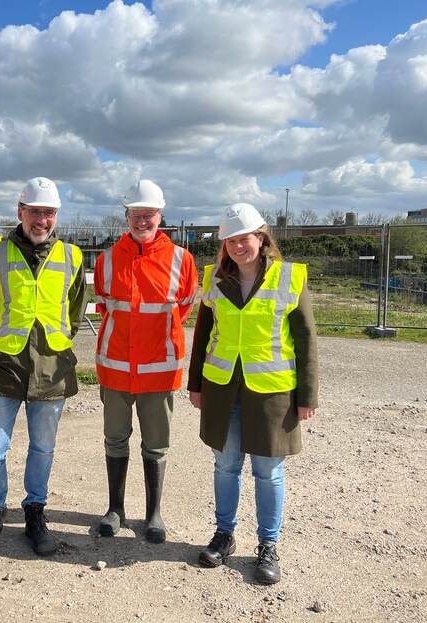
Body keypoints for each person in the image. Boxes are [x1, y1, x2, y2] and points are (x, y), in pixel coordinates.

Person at [187, 203, 318, 585]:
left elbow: (306, 338)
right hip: (222, 387)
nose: (237, 247)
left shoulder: (290, 277)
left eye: (243, 238)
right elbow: (201, 336)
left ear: (261, 238)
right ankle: (224, 535)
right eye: (230, 241)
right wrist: (195, 384)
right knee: (225, 466)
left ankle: (268, 546)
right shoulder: (213, 278)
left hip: (272, 393)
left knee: (268, 472)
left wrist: (307, 394)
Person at [0, 176, 87, 556]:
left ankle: (35, 509)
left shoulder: (72, 256)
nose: (42, 220)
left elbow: (75, 310)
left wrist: (53, 340)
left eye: (49, 213)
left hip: (52, 366)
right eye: (35, 212)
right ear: (20, 212)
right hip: (5, 364)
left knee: (43, 448)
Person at [93, 180, 198, 542]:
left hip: (158, 370)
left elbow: (183, 308)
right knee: (115, 439)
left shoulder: (182, 260)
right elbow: (105, 307)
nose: (142, 221)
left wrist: (154, 340)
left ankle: (154, 514)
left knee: (156, 444)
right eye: (135, 214)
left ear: (160, 215)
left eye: (148, 214)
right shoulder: (107, 260)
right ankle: (115, 509)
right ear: (127, 216)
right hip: (116, 369)